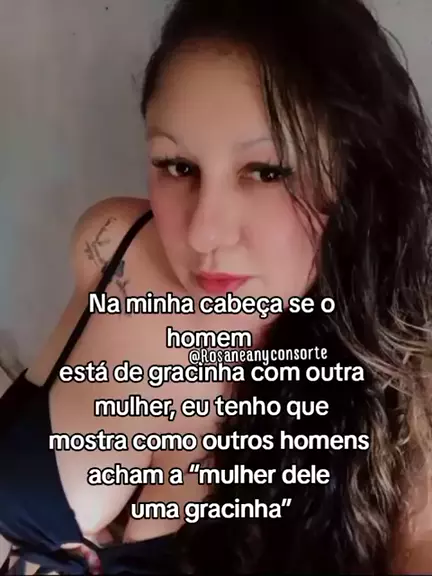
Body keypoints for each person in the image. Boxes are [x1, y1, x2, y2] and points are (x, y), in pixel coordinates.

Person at [1, 0, 431, 573]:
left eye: (267, 172)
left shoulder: (407, 389)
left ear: (357, 175)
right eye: (177, 166)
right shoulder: (114, 243)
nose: (203, 233)